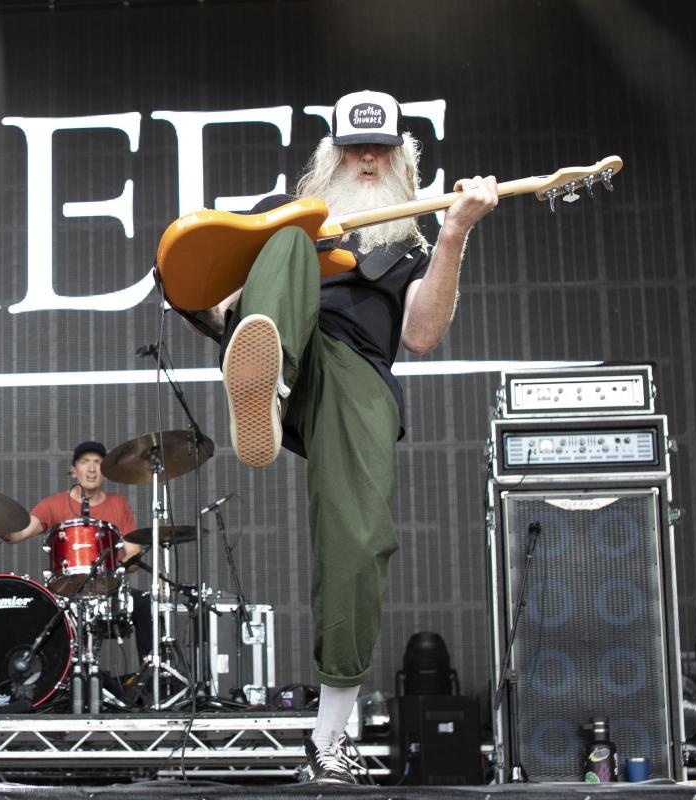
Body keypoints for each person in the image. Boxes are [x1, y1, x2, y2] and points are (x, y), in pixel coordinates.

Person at [179, 89, 499, 783]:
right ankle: (268, 383)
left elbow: (419, 333)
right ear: (332, 151)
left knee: (357, 539)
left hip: (357, 375)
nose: (365, 158)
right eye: (354, 146)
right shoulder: (288, 218)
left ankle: (330, 739)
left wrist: (454, 233)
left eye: (378, 147)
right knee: (288, 238)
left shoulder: (413, 244)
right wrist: (194, 290)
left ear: (399, 156)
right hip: (285, 336)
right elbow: (210, 303)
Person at [0, 440, 153, 662]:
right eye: (84, 462)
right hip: (65, 591)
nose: (91, 468)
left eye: (98, 463)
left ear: (105, 472)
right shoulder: (53, 505)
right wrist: (2, 527)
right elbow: (23, 531)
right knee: (33, 609)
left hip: (106, 589)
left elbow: (133, 553)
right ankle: (50, 683)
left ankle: (147, 682)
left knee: (144, 603)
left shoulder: (119, 504)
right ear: (73, 470)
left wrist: (122, 567)